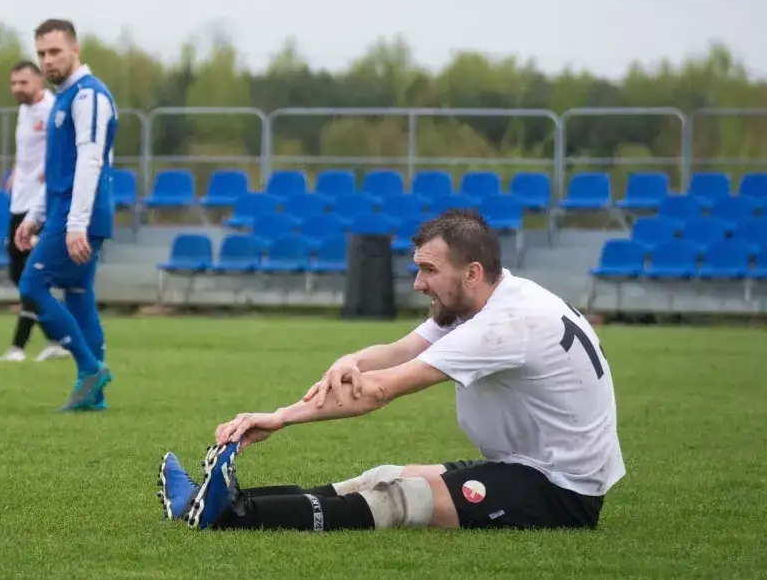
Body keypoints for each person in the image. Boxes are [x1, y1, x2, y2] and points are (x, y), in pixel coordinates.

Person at [158, 209, 625, 532]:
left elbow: (380, 390)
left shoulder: (503, 324)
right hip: (526, 466)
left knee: (400, 500)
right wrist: (352, 361)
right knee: (380, 476)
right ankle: (215, 498)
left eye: (428, 270)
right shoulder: (495, 298)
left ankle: (231, 517)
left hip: (560, 491)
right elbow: (402, 349)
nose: (419, 282)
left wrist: (281, 416)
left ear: (473, 272)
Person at [13, 19, 117, 411]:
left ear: (75, 49)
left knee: (32, 287)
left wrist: (75, 225)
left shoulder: (89, 96)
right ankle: (95, 395)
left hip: (79, 213)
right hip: (62, 208)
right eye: (41, 53)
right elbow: (57, 168)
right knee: (77, 296)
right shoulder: (65, 97)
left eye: (55, 51)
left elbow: (91, 161)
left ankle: (90, 368)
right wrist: (33, 216)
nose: (47, 60)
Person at [0, 60, 69, 363]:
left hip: (40, 202)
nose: (17, 89)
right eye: (14, 83)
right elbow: (25, 148)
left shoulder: (53, 108)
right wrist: (17, 170)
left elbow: (60, 148)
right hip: (20, 197)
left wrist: (45, 172)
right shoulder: (24, 111)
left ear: (38, 82)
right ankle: (58, 338)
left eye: (23, 83)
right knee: (20, 273)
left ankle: (18, 347)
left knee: (29, 276)